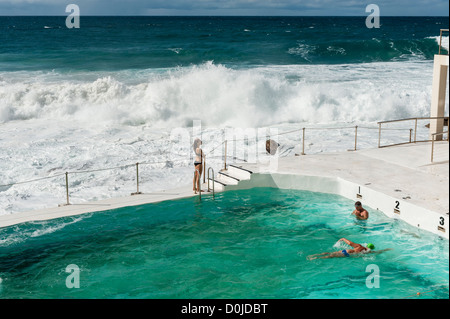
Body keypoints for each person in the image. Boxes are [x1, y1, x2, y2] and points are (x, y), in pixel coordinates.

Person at [307, 238, 378, 260]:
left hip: (347, 251)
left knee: (330, 253)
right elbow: (377, 252)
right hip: (347, 254)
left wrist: (343, 239)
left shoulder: (359, 246)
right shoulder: (367, 252)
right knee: (331, 256)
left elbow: (350, 243)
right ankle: (316, 258)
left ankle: (315, 255)